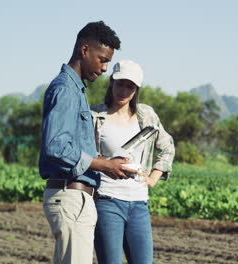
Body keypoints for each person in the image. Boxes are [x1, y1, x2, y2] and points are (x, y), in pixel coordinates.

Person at [39, 21, 138, 264]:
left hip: (76, 197)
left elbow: (70, 147)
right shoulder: (65, 90)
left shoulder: (76, 90)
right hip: (70, 195)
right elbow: (56, 146)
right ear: (84, 50)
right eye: (102, 59)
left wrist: (109, 164)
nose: (105, 68)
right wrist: (104, 165)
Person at [91, 60, 175, 264]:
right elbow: (85, 155)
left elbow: (167, 146)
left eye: (130, 86)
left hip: (139, 204)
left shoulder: (146, 115)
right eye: (120, 83)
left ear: (136, 89)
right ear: (111, 82)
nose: (123, 90)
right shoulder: (95, 116)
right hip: (106, 201)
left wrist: (154, 177)